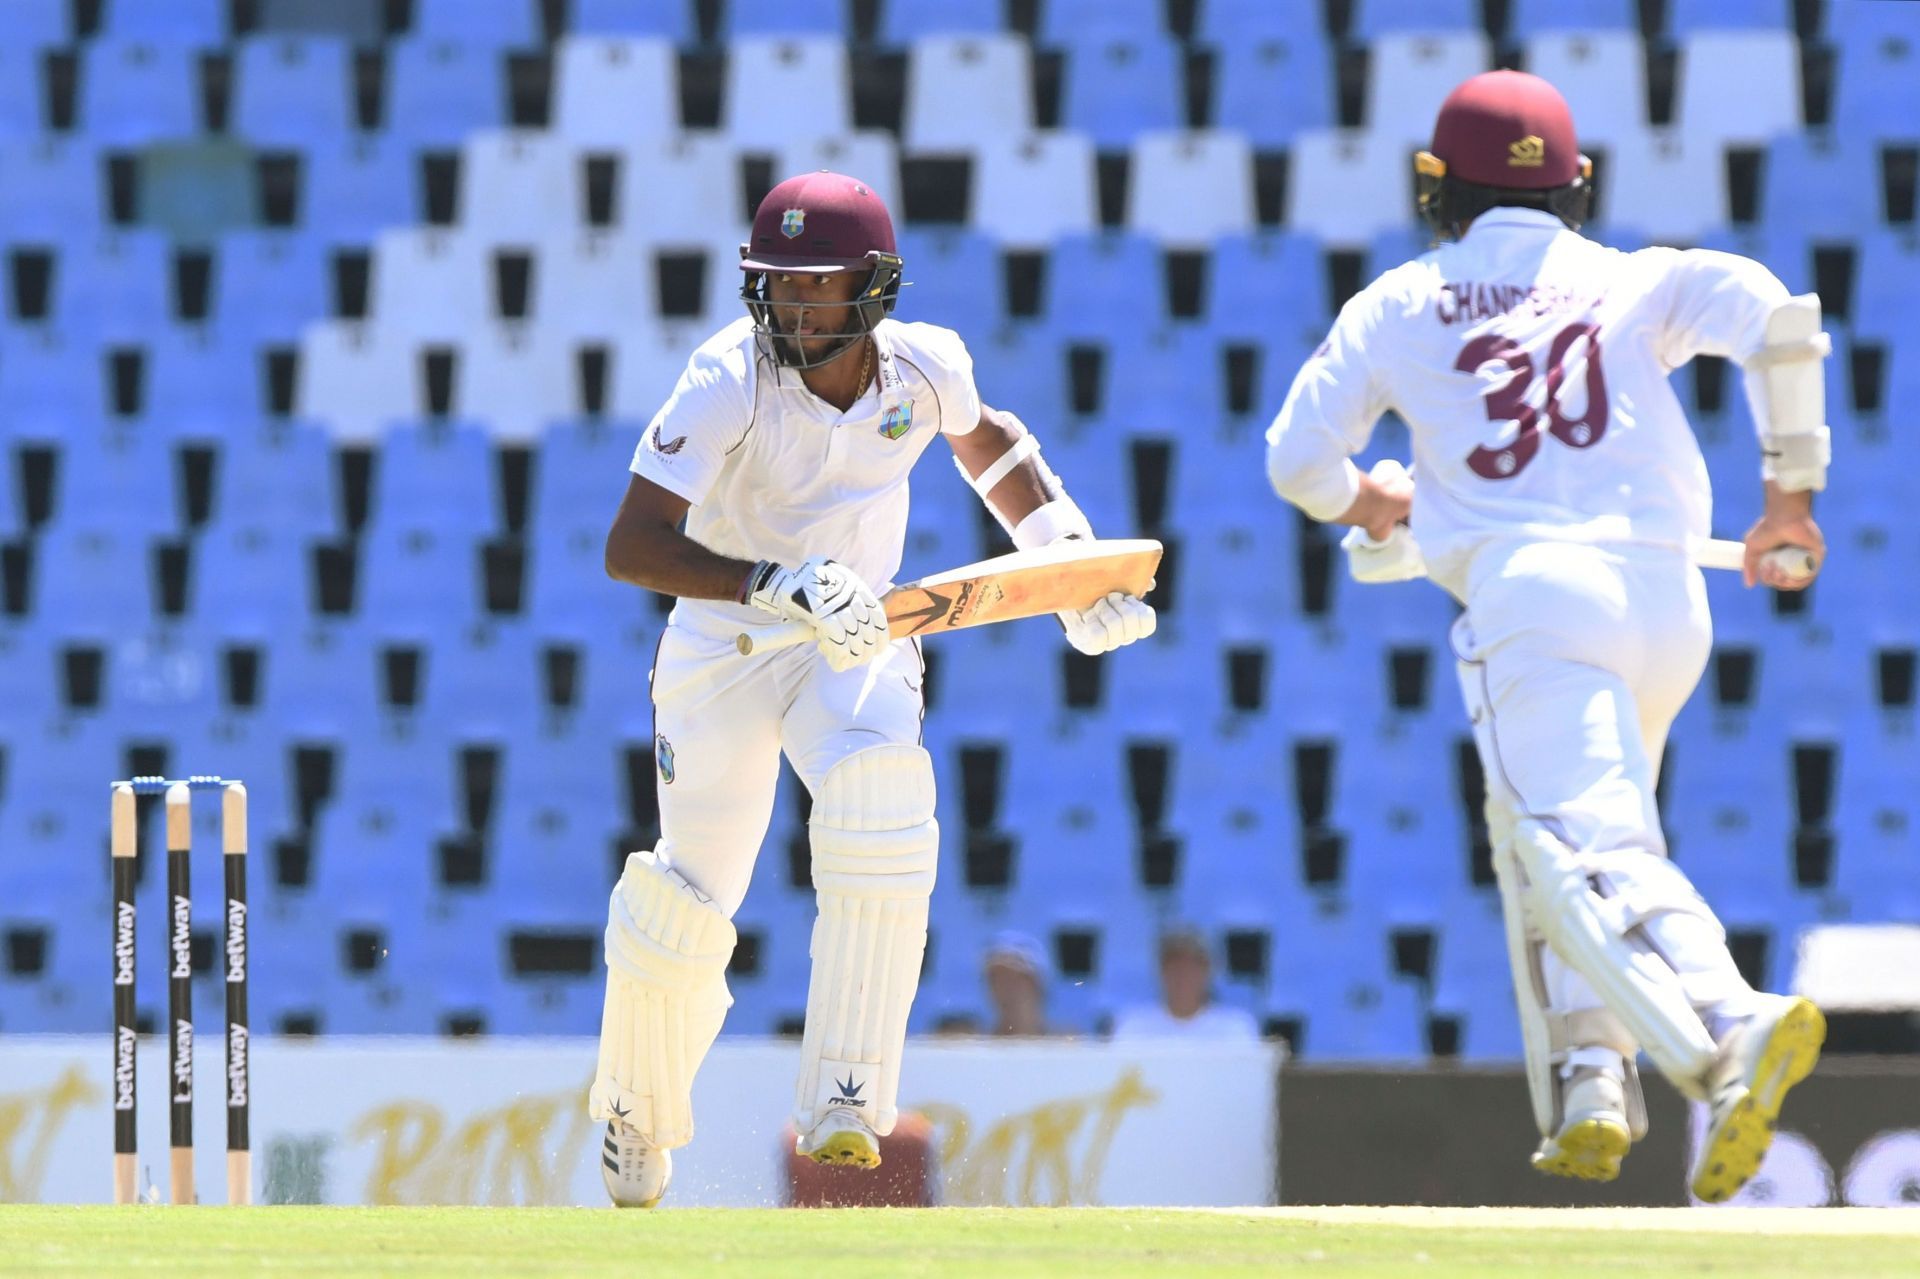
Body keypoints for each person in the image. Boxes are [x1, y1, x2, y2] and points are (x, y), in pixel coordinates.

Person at [1262, 71, 1829, 1202]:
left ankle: (1729, 1019)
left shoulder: (1398, 301)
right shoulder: (1629, 280)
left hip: (1534, 600)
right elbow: (1776, 315)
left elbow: (1296, 461)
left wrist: (1371, 504)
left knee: (1583, 848)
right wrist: (1790, 495)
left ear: (1437, 189)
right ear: (1576, 186)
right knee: (1551, 838)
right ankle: (1592, 1084)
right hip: (1668, 600)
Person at [588, 171, 1157, 1207]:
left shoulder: (923, 366)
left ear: (873, 288)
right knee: (693, 896)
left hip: (856, 636)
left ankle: (846, 1096)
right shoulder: (727, 377)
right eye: (780, 288)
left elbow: (993, 443)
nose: (796, 311)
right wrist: (769, 581)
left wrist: (1066, 561)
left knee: (886, 797)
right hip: (726, 640)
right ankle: (635, 1109)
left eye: (819, 289)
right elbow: (632, 546)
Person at [1110, 928, 1259, 1041]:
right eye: (1175, 967)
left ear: (1207, 971)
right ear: (1161, 972)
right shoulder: (1132, 1027)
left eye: (1191, 967)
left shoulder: (1236, 1029)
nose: (1182, 976)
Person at [983, 931, 1054, 1037]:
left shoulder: (1067, 1046)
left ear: (1036, 984)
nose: (1003, 988)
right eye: (995, 979)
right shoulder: (977, 1047)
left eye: (1013, 979)